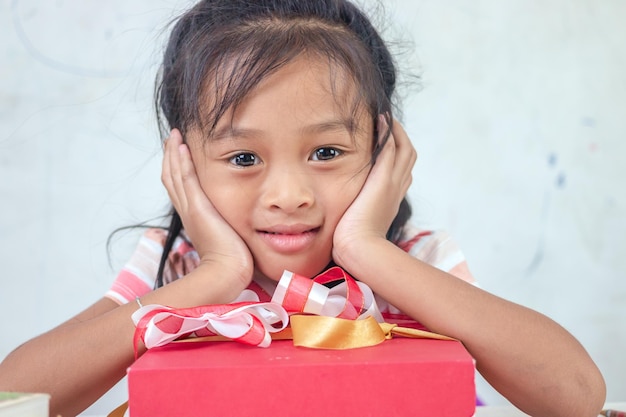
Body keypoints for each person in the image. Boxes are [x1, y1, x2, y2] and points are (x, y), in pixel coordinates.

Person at [0, 1, 606, 416]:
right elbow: (16, 395)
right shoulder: (173, 265)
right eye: (243, 158)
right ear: (183, 161)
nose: (289, 195)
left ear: (382, 149)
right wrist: (216, 277)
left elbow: (577, 396)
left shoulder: (414, 259)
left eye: (325, 151)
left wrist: (368, 252)